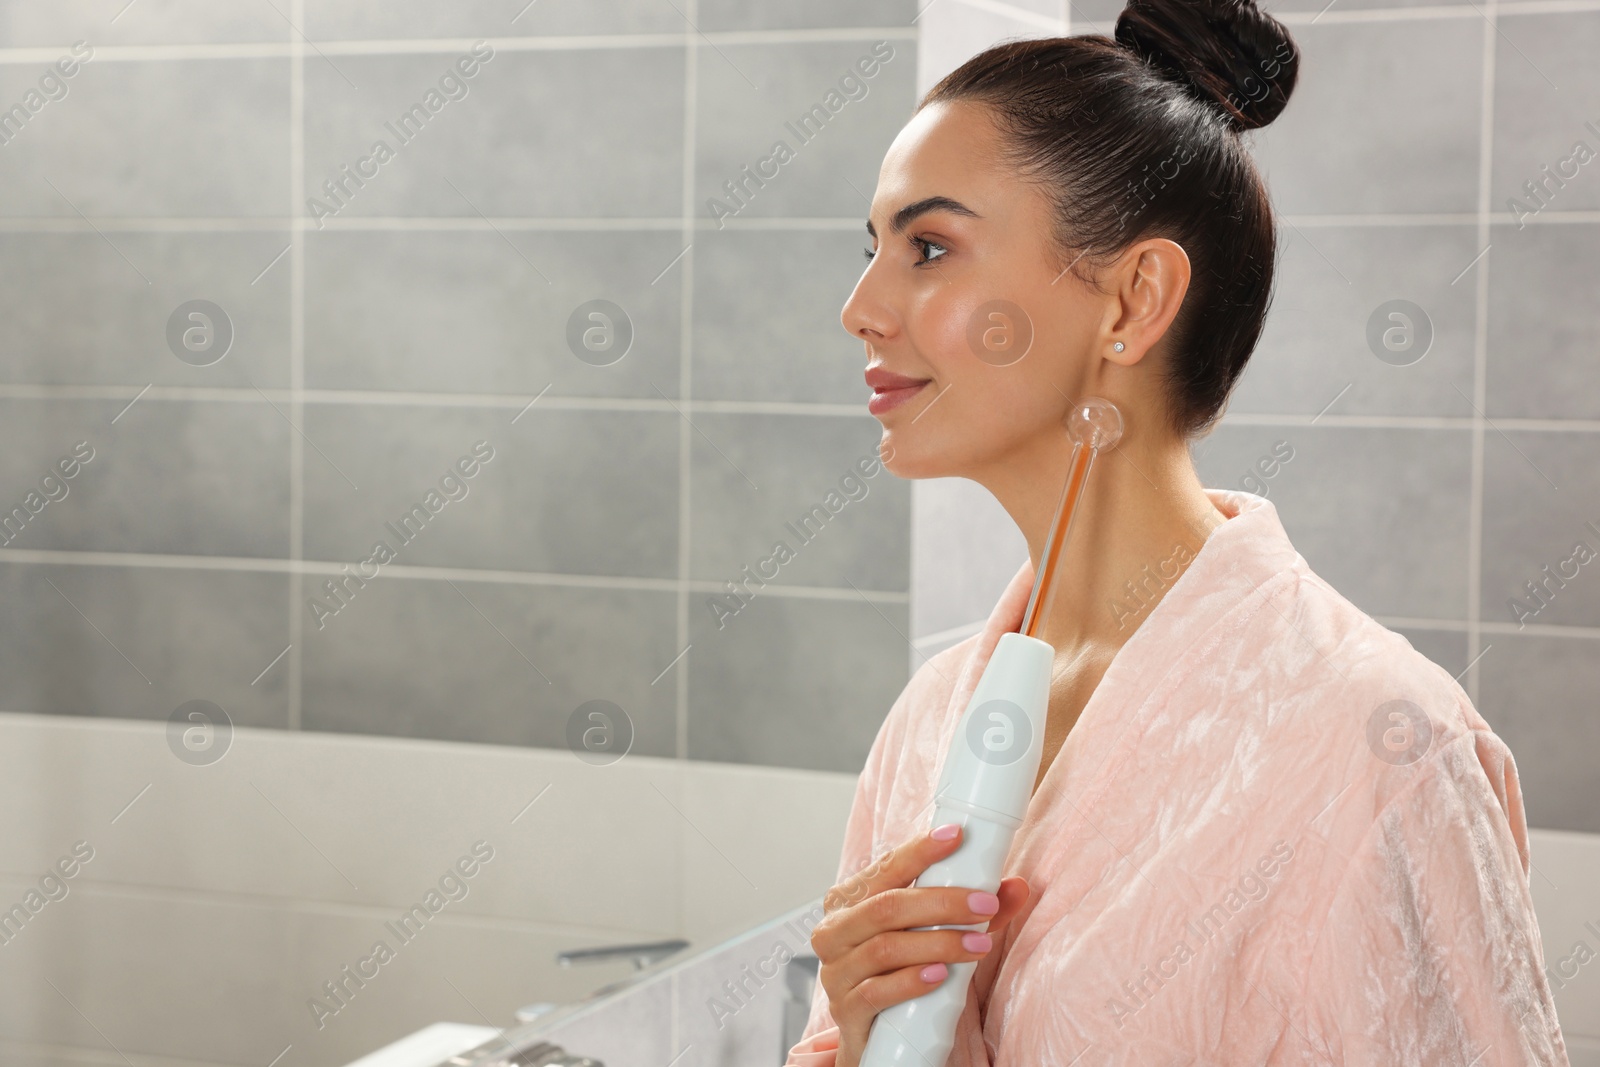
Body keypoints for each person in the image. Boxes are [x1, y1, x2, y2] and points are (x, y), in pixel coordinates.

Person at [786, 0, 1571, 1063]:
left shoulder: (1379, 748)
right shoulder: (932, 721)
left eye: (928, 246)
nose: (857, 306)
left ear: (1132, 300)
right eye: (871, 244)